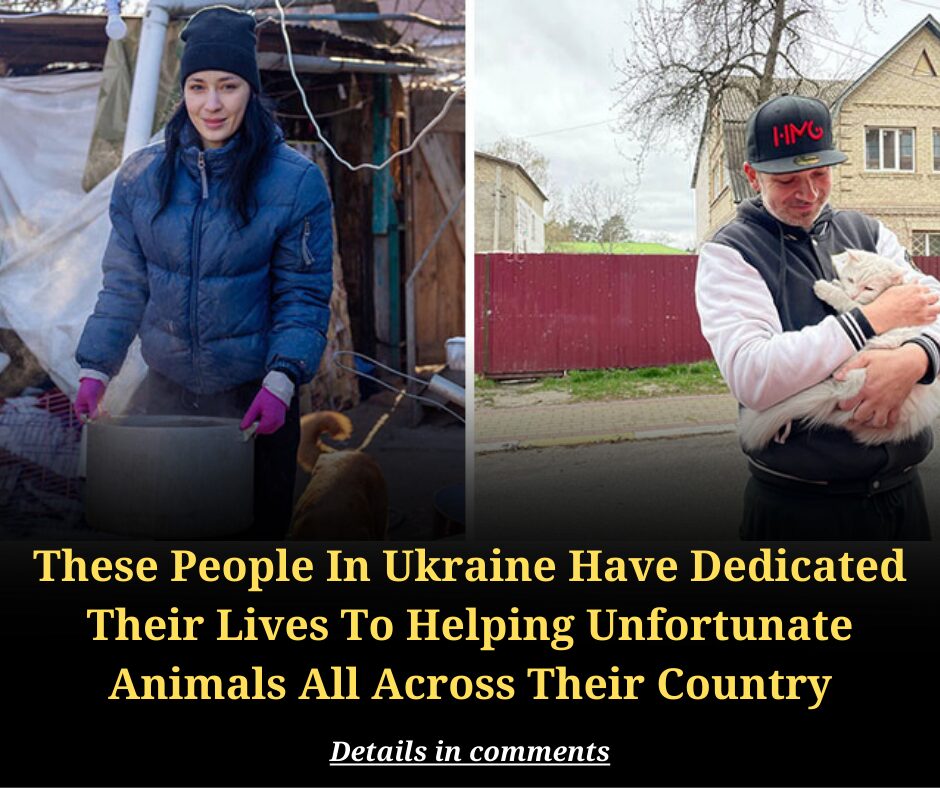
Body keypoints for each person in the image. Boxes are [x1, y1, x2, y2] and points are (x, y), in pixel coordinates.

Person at [73, 5, 333, 538]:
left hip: (257, 400)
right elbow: (124, 286)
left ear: (250, 90)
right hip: (166, 393)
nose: (211, 104)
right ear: (184, 90)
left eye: (228, 86)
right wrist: (96, 367)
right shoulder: (143, 177)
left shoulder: (295, 183)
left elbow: (302, 296)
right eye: (197, 86)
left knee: (251, 550)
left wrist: (282, 381)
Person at [696, 94, 940, 540]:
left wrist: (917, 357)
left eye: (819, 174)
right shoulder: (731, 253)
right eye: (788, 180)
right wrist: (870, 319)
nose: (808, 194)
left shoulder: (868, 232)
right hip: (800, 510)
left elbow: (933, 305)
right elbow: (753, 373)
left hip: (901, 499)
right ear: (753, 176)